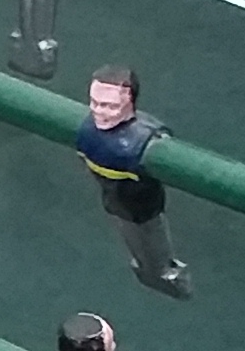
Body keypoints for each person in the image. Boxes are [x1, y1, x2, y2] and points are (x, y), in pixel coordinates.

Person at [77, 69, 190, 297]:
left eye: (110, 106)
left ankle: (161, 271)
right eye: (95, 103)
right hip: (120, 203)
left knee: (148, 236)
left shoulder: (139, 141)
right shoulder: (90, 133)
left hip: (141, 207)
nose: (99, 112)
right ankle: (156, 271)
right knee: (137, 235)